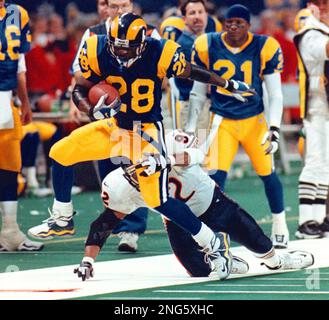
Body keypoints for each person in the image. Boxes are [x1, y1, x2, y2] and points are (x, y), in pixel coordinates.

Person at [29, 13, 253, 278]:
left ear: (143, 40)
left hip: (145, 132)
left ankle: (211, 242)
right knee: (60, 152)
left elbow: (191, 71)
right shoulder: (98, 48)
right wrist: (92, 110)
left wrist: (226, 83)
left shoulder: (160, 51)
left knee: (158, 200)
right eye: (117, 46)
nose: (122, 52)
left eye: (128, 47)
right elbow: (78, 89)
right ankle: (63, 217)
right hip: (115, 126)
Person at [73, 130, 314, 281]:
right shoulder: (120, 185)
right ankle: (226, 256)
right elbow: (103, 224)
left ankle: (280, 260)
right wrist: (88, 260)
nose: (135, 168)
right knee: (199, 272)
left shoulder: (168, 142)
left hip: (212, 203)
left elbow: (200, 156)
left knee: (263, 249)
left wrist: (166, 160)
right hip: (180, 222)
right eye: (130, 165)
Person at [186, 4, 289, 248]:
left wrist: (274, 128)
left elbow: (275, 93)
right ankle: (214, 230)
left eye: (239, 23)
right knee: (215, 180)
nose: (233, 27)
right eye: (228, 22)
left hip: (254, 120)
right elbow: (198, 92)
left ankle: (279, 224)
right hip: (222, 120)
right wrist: (191, 127)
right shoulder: (207, 44)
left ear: (248, 25)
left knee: (268, 174)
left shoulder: (264, 46)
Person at [69, 0, 160, 252]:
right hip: (106, 114)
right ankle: (111, 222)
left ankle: (131, 229)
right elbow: (79, 75)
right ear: (105, 8)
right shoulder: (93, 35)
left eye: (124, 5)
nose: (120, 10)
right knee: (109, 171)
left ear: (132, 6)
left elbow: (163, 77)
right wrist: (85, 103)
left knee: (136, 170)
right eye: (114, 6)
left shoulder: (150, 32)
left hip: (139, 116)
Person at [0, 0, 43, 251]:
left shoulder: (18, 14)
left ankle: (10, 231)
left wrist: (25, 102)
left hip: (6, 100)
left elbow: (20, 65)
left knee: (9, 166)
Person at [293, 0, 329, 239]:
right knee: (315, 159)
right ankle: (306, 219)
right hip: (316, 105)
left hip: (325, 104)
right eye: (321, 3)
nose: (325, 7)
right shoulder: (309, 29)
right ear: (311, 6)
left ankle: (318, 220)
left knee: (325, 163)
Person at [172, 0, 208, 130]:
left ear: (206, 15)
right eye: (192, 13)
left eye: (200, 12)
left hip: (207, 105)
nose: (197, 16)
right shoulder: (183, 44)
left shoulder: (206, 40)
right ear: (184, 18)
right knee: (193, 149)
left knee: (210, 149)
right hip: (192, 105)